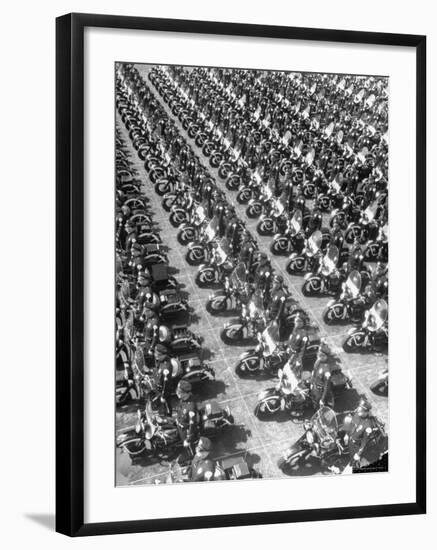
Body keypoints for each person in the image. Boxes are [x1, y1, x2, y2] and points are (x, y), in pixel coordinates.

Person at [338, 398, 376, 465]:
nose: (358, 410)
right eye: (359, 408)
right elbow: (352, 425)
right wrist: (347, 434)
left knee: (355, 461)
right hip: (350, 440)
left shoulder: (368, 425)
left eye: (361, 410)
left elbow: (364, 441)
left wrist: (358, 453)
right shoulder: (357, 415)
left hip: (356, 446)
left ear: (366, 412)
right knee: (349, 454)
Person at [310, 339, 336, 408]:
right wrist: (312, 383)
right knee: (314, 401)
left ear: (325, 356)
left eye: (320, 355)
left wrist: (322, 399)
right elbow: (314, 372)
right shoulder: (318, 362)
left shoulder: (326, 370)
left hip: (320, 391)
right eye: (318, 353)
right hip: (315, 386)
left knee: (318, 406)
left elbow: (327, 386)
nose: (318, 355)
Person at [174, 380, 199, 453]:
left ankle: (192, 457)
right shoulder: (183, 399)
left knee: (188, 447)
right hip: (180, 423)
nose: (177, 393)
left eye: (179, 392)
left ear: (185, 393)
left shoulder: (191, 407)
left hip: (185, 429)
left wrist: (188, 440)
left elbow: (192, 424)